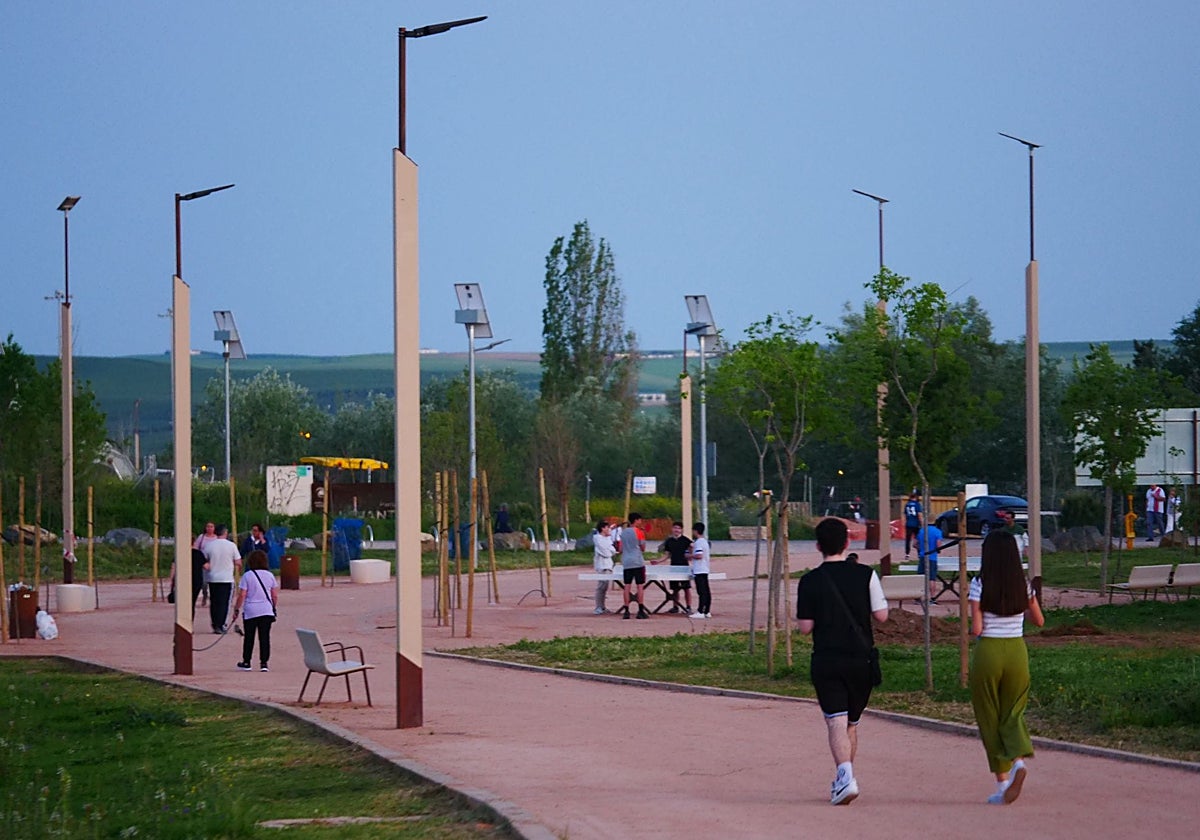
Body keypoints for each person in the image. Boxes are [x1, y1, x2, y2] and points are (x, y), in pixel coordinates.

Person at [796, 518, 889, 806]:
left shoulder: (809, 581)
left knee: (835, 720)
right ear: (848, 543)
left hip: (827, 659)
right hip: (861, 660)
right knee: (850, 723)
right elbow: (882, 615)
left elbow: (805, 627)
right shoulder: (866, 575)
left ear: (818, 546)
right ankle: (844, 778)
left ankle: (846, 777)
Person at [968, 531, 1045, 804]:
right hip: (1016, 651)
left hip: (988, 651)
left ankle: (1002, 784)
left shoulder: (979, 583)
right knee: (1013, 712)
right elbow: (1039, 621)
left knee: (989, 716)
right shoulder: (1023, 584)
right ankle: (1019, 761)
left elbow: (977, 628)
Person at [233, 549, 278, 672]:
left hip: (251, 610)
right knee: (265, 637)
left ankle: (247, 662)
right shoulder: (270, 575)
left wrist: (236, 609)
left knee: (249, 637)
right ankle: (264, 663)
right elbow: (274, 595)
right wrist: (273, 606)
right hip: (266, 610)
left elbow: (242, 594)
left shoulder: (247, 576)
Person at [202, 524, 242, 634]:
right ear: (225, 533)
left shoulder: (209, 546)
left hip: (213, 577)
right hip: (226, 578)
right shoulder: (231, 545)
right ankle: (221, 624)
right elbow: (238, 561)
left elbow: (204, 560)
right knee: (225, 602)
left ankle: (215, 623)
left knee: (214, 601)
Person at [618, 513, 649, 619]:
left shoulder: (623, 533)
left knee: (627, 586)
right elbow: (643, 548)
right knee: (640, 586)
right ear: (636, 520)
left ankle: (626, 610)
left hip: (626, 562)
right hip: (637, 561)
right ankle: (640, 610)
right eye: (640, 520)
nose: (641, 522)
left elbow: (620, 549)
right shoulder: (639, 532)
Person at [660, 521, 693, 614]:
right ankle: (675, 606)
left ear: (681, 530)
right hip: (673, 566)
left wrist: (691, 555)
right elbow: (667, 555)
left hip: (684, 566)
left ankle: (688, 606)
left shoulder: (686, 540)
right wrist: (658, 561)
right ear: (672, 529)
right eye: (675, 528)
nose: (676, 530)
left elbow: (692, 549)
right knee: (675, 588)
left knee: (686, 588)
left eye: (679, 528)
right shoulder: (669, 541)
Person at [592, 520, 617, 615]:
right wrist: (610, 551)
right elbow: (606, 553)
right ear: (603, 528)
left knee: (605, 587)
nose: (609, 529)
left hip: (609, 565)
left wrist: (611, 551)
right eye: (607, 527)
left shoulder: (607, 539)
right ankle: (598, 607)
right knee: (601, 586)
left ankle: (602, 606)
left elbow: (613, 550)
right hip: (602, 566)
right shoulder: (598, 539)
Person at [688, 522, 712, 619]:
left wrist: (689, 556)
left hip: (699, 569)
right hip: (705, 568)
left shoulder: (698, 542)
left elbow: (699, 555)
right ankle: (707, 611)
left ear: (695, 531)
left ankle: (701, 611)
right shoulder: (704, 542)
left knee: (701, 591)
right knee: (706, 591)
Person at [915, 519, 944, 600]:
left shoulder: (921, 531)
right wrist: (938, 550)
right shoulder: (937, 531)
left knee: (921, 577)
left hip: (922, 556)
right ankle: (932, 597)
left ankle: (918, 597)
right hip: (932, 557)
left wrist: (921, 549)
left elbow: (915, 544)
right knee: (932, 578)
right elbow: (938, 545)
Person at [193, 521, 219, 607]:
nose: (209, 528)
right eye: (208, 526)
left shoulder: (217, 538)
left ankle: (213, 598)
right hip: (203, 562)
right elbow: (196, 548)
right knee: (204, 582)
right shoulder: (201, 537)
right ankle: (205, 594)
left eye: (211, 526)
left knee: (213, 581)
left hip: (214, 562)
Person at [903, 491, 923, 560]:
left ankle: (907, 554)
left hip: (908, 524)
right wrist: (921, 523)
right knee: (918, 538)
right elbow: (919, 514)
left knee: (908, 539)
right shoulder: (917, 504)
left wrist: (905, 523)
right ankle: (919, 553)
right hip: (916, 524)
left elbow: (905, 515)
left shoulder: (907, 504)